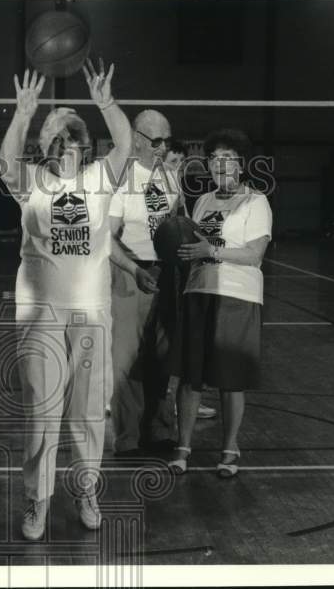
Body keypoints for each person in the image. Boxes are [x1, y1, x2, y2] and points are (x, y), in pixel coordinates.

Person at [0, 60, 132, 540]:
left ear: (83, 144)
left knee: (89, 411)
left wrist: (106, 103)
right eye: (55, 140)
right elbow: (5, 165)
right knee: (43, 410)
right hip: (41, 315)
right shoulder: (33, 183)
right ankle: (37, 501)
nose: (65, 145)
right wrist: (22, 114)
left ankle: (86, 489)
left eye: (72, 137)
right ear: (45, 148)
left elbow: (127, 145)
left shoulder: (99, 179)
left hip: (91, 314)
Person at [108, 109, 215, 457]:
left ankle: (158, 431)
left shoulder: (171, 178)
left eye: (166, 140)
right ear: (137, 138)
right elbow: (105, 239)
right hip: (130, 272)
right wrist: (133, 269)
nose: (163, 147)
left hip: (167, 275)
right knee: (126, 360)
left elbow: (179, 223)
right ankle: (127, 439)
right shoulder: (121, 180)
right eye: (156, 141)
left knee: (161, 356)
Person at [169, 128, 272, 477]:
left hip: (237, 297)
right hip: (199, 292)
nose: (219, 164)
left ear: (241, 165)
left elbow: (254, 255)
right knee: (190, 377)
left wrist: (209, 249)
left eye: (227, 158)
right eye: (214, 158)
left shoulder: (256, 202)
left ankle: (230, 449)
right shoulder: (203, 201)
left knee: (231, 379)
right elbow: (192, 248)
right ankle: (183, 447)